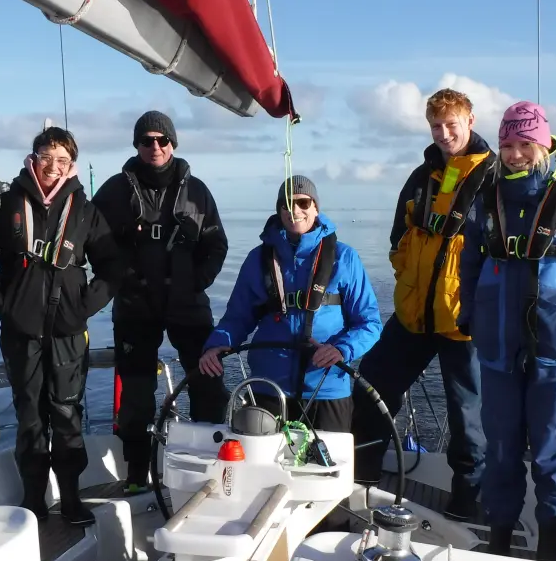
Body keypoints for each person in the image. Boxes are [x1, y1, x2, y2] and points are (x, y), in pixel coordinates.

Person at [458, 101, 556, 561]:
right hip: (498, 348)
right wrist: (470, 314)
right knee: (502, 450)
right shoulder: (486, 201)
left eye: (523, 145)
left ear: (544, 144)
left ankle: (551, 547)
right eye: (506, 144)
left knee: (550, 451)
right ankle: (501, 542)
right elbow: (469, 263)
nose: (512, 154)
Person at [0, 126, 124, 526]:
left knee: (67, 414)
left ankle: (70, 499)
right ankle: (32, 500)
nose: (53, 166)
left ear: (73, 166)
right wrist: (4, 304)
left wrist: (84, 307)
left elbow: (114, 267)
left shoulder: (86, 211)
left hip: (69, 333)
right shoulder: (5, 204)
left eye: (62, 160)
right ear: (33, 159)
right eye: (46, 157)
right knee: (30, 416)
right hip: (20, 333)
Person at [350, 88, 496, 518]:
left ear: (470, 120)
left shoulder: (493, 177)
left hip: (463, 323)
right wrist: (409, 277)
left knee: (468, 418)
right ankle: (363, 477)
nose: (445, 133)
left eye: (452, 124)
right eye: (437, 126)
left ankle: (467, 503)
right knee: (372, 386)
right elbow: (399, 238)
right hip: (414, 316)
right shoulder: (420, 176)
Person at [92, 111, 230, 491]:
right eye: (147, 140)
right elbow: (92, 245)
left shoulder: (197, 191)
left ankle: (207, 464)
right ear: (136, 144)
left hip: (187, 305)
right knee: (136, 395)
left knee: (208, 385)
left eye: (162, 140)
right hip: (135, 306)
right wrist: (119, 271)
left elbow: (217, 245)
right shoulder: (114, 191)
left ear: (173, 143)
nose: (155, 147)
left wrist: (196, 282)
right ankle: (137, 470)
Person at [198, 176, 382, 431]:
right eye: (286, 204)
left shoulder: (345, 258)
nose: (295, 210)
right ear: (279, 210)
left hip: (326, 388)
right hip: (268, 386)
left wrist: (341, 349)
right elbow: (237, 318)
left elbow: (370, 324)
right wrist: (217, 346)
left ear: (316, 208)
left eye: (303, 202)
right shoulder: (257, 259)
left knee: (327, 468)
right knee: (263, 466)